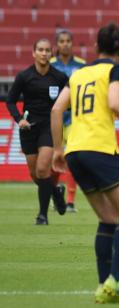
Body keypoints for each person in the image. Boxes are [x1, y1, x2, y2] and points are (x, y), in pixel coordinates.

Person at [51, 22, 119, 303]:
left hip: (74, 150)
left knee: (108, 218)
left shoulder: (78, 73)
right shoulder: (116, 70)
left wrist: (57, 149)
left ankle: (104, 285)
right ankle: (117, 279)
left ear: (95, 47)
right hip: (99, 149)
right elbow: (114, 102)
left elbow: (56, 109)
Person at [5, 38, 68, 225]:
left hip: (49, 127)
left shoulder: (59, 77)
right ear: (33, 53)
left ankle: (42, 215)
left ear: (52, 53)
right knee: (36, 175)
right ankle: (56, 192)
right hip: (29, 128)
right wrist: (19, 119)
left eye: (47, 50)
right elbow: (10, 101)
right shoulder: (24, 76)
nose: (44, 53)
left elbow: (70, 98)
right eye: (40, 50)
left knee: (43, 169)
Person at [50, 28, 86, 213]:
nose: (65, 44)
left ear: (72, 44)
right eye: (62, 41)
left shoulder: (81, 65)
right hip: (55, 118)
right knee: (54, 159)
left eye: (68, 41)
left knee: (71, 158)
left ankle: (70, 201)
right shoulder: (49, 64)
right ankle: (55, 196)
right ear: (57, 44)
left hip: (74, 119)